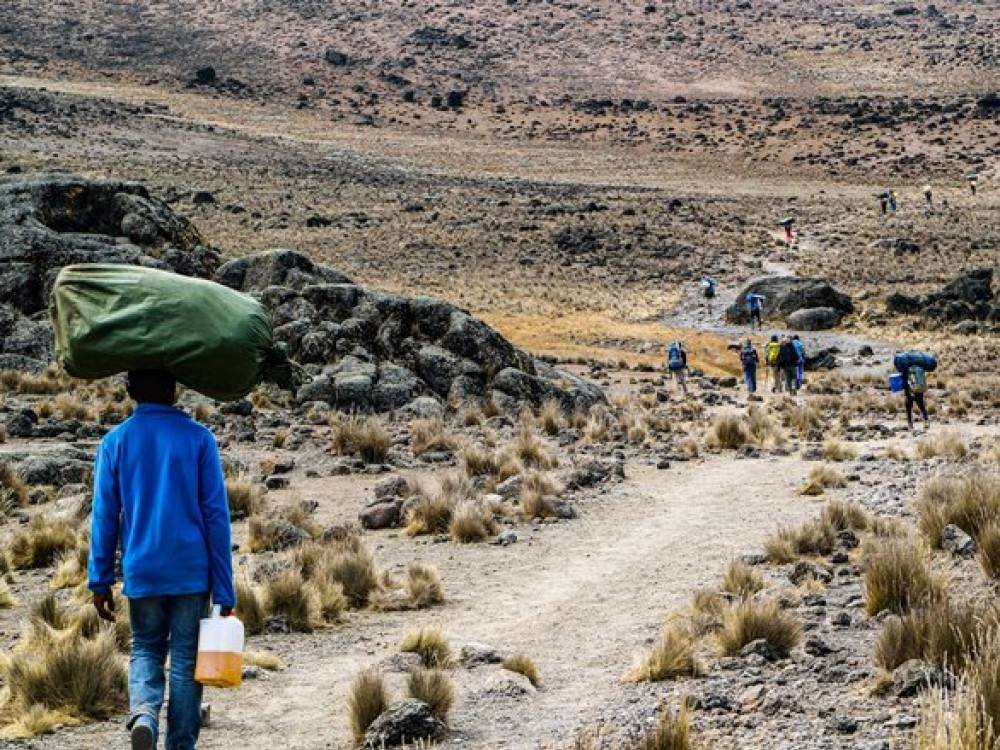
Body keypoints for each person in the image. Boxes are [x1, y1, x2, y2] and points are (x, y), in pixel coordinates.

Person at [88, 369, 235, 750]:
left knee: (146, 649)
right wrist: (224, 587)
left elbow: (105, 516)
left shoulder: (114, 442)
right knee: (187, 661)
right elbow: (216, 516)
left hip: (143, 570)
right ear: (174, 390)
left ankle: (144, 715)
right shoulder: (199, 439)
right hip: (191, 573)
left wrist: (99, 579)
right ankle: (180, 745)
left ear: (131, 390)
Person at [899, 361, 930, 430]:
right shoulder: (918, 368)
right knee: (921, 406)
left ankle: (910, 424)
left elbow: (904, 381)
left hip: (909, 391)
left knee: (909, 407)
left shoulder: (905, 369)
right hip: (918, 390)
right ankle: (926, 421)